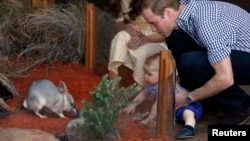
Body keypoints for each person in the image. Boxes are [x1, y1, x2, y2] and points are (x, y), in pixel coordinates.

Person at [141, 0, 250, 125]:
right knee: (175, 37)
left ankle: (241, 104)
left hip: (247, 55)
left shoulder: (206, 23)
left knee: (191, 62)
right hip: (235, 50)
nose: (153, 29)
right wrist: (145, 39)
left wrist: (189, 97)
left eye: (154, 23)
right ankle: (207, 101)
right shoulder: (181, 7)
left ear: (168, 13)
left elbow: (225, 78)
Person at [123, 53, 202, 139]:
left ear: (162, 74)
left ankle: (189, 128)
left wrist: (150, 118)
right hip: (174, 110)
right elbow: (143, 94)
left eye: (149, 74)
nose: (145, 76)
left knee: (187, 113)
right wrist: (133, 104)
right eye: (145, 72)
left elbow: (157, 105)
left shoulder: (165, 86)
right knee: (167, 115)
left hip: (188, 105)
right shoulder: (151, 85)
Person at [106, 0, 168, 86]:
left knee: (142, 51)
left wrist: (146, 39)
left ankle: (142, 90)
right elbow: (118, 23)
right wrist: (126, 27)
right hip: (134, 36)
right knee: (121, 36)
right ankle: (114, 86)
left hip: (158, 40)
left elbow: (170, 32)